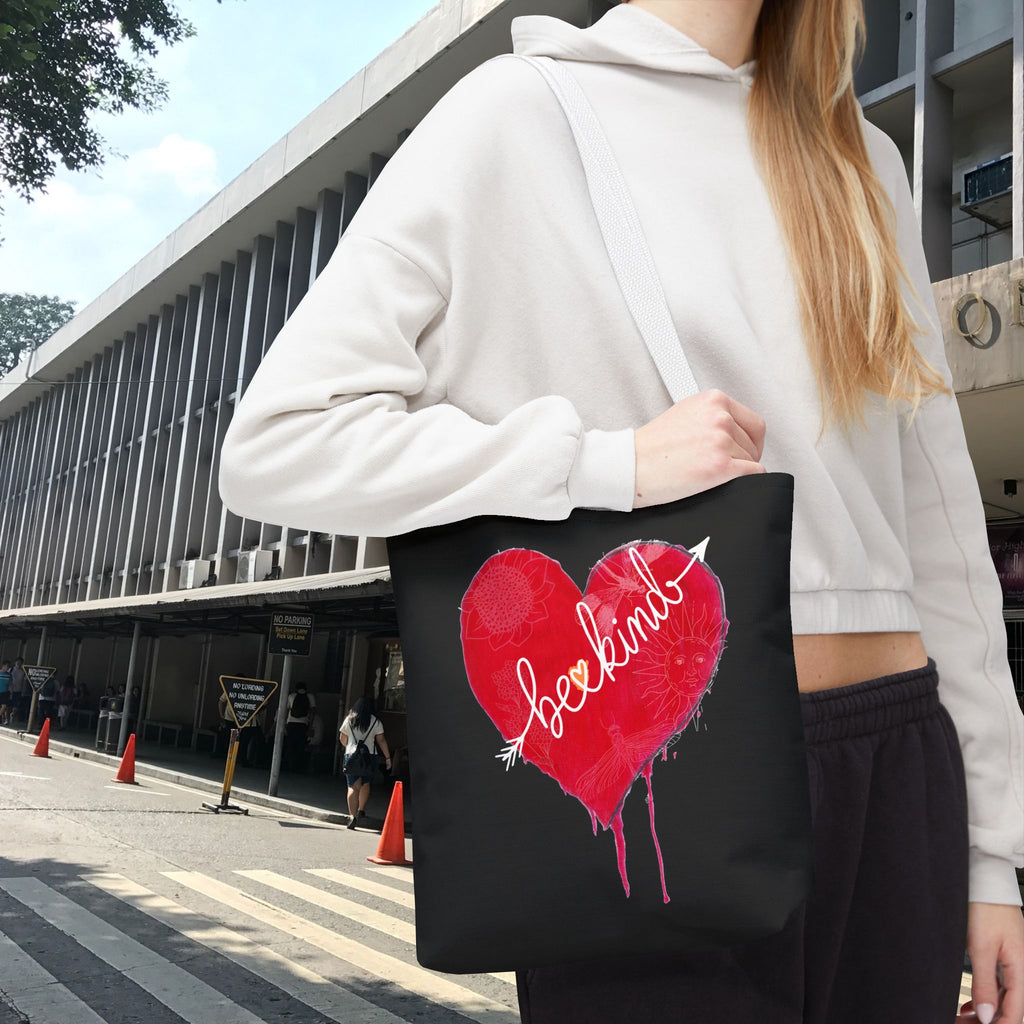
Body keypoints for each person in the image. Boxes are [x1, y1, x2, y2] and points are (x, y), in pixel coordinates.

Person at [218, 1, 1024, 1021]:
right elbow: (280, 441)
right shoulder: (516, 115)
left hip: (899, 768)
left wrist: (993, 852)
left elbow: (941, 520)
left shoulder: (859, 155)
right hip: (661, 773)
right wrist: (602, 464)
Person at [338, 697, 391, 830]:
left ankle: (352, 817)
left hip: (351, 755)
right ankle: (361, 810)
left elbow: (342, 738)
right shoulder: (375, 721)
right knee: (365, 783)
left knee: (352, 786)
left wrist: (349, 748)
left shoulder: (349, 719)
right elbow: (381, 740)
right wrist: (388, 758)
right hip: (369, 757)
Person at [283, 682, 315, 772]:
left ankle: (289, 765)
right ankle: (298, 767)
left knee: (290, 745)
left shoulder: (291, 696)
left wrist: (285, 723)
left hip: (291, 723)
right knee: (300, 746)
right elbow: (313, 712)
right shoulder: (310, 696)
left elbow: (286, 710)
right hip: (303, 724)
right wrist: (310, 726)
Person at [9, 658, 28, 727]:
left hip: (18, 691)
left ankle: (12, 715)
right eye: (17, 662)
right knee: (8, 705)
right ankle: (6, 718)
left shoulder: (23, 672)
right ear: (15, 662)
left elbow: (24, 682)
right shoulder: (10, 670)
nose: (19, 664)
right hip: (10, 690)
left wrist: (23, 691)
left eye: (20, 663)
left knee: (16, 705)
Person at [0, 661, 12, 726]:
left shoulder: (9, 675)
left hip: (5, 692)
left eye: (9, 666)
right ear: (3, 666)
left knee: (4, 706)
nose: (8, 668)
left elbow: (10, 684)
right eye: (7, 666)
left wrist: (11, 692)